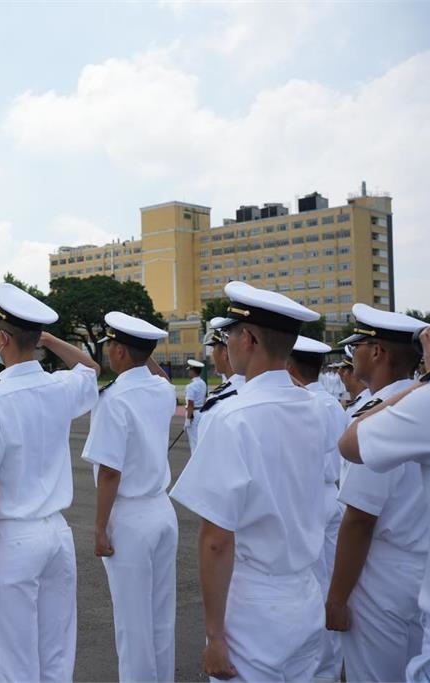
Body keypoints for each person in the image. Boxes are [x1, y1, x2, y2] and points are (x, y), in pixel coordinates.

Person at [169, 280, 334, 681]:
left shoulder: (233, 418)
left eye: (228, 336)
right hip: (307, 595)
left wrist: (214, 636)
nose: (226, 345)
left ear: (249, 339)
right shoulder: (320, 410)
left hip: (255, 605)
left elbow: (215, 539)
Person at [0, 282, 100, 682]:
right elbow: (90, 369)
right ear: (35, 339)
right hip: (56, 536)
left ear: (1, 339)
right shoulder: (56, 387)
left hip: (13, 541)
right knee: (55, 659)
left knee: (14, 666)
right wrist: (46, 339)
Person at [337, 321, 430, 683]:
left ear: (377, 353)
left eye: (358, 348)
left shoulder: (409, 406)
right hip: (428, 567)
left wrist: (336, 599)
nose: (353, 357)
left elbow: (359, 519)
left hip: (384, 573)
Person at [81, 311, 176, 682]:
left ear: (119, 351)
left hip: (130, 516)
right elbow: (161, 377)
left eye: (110, 346)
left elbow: (109, 472)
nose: (107, 352)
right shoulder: (162, 390)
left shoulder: (114, 398)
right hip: (161, 510)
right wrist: (142, 350)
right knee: (160, 617)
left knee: (133, 624)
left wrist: (100, 528)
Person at [286, 335, 350, 682]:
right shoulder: (332, 403)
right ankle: (329, 665)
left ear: (290, 366)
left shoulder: (304, 403)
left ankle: (319, 667)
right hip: (332, 494)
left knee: (313, 586)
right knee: (326, 583)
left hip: (310, 498)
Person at [195, 319, 245, 444]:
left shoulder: (219, 402)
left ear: (224, 353)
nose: (212, 354)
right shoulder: (252, 385)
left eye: (213, 349)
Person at [183, 359, 207, 452]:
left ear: (193, 371)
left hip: (193, 415)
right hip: (201, 412)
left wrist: (188, 419)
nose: (189, 372)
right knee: (200, 440)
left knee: (194, 442)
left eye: (189, 370)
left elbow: (190, 404)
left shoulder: (191, 386)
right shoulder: (203, 383)